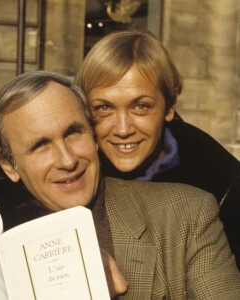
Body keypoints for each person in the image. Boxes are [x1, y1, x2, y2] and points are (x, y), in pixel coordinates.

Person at [0, 71, 240, 299]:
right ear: (7, 163)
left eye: (74, 133)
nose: (67, 160)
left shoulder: (187, 215)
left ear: (94, 136)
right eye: (40, 146)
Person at [75, 30, 240, 267]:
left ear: (170, 105)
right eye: (104, 108)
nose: (122, 129)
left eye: (140, 106)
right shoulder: (70, 168)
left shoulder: (223, 184)